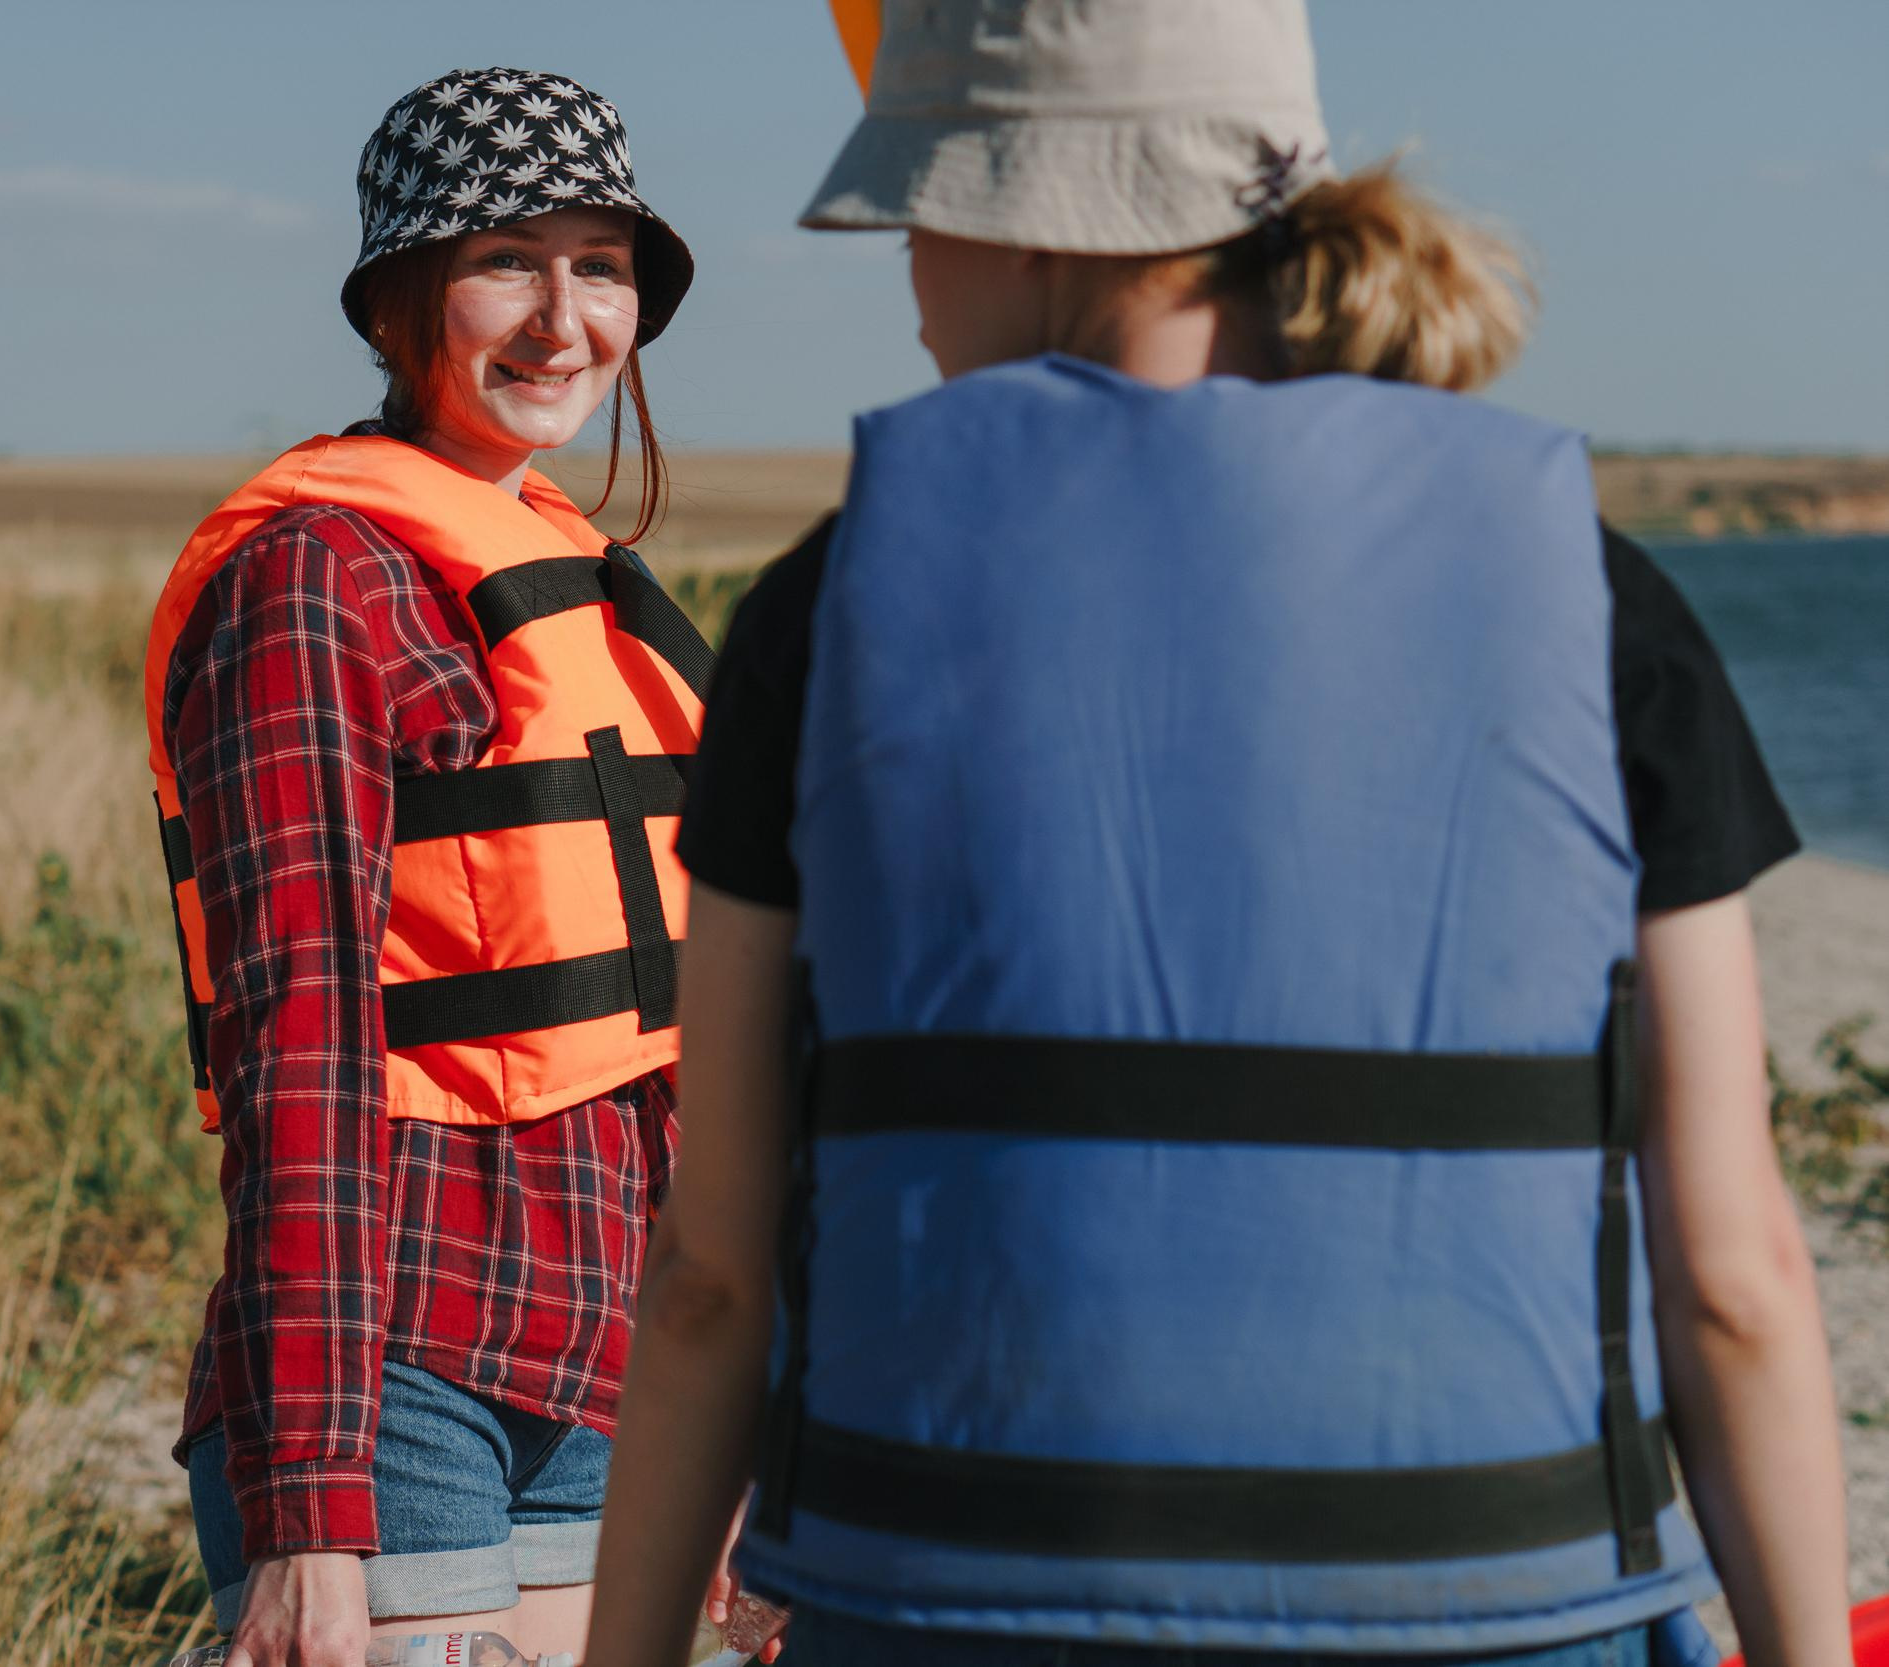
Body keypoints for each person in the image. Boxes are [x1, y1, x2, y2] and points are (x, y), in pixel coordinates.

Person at [588, 5, 1855, 1667]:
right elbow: (1736, 1275)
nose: (909, 280)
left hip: (951, 1613)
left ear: (1032, 223)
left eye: (914, 215)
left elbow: (709, 1281)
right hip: (1500, 1611)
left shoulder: (832, 605)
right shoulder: (1593, 595)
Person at [142, 66, 713, 1667]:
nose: (560, 320)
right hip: (398, 1371)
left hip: (620, 1355)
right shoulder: (310, 584)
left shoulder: (584, 587)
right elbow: (299, 1046)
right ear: (402, 298)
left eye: (599, 266)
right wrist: (311, 1506)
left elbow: (671, 1036)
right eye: (503, 263)